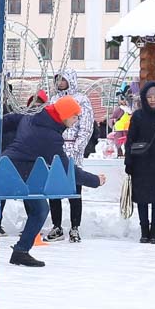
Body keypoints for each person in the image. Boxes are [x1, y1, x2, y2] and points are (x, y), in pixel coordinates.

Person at [0, 96, 104, 267]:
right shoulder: (50, 137)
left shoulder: (32, 118)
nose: (77, 120)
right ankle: (20, 251)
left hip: (15, 168)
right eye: (75, 116)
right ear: (64, 115)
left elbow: (8, 121)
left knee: (39, 209)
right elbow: (65, 170)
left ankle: (20, 252)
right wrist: (95, 180)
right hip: (17, 173)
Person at [123, 81, 155, 244]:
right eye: (149, 97)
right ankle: (144, 231)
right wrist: (129, 162)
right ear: (144, 98)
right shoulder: (138, 115)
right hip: (141, 163)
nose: (153, 100)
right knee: (142, 199)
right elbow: (130, 139)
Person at [44, 69, 93, 243]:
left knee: (75, 189)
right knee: (54, 189)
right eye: (57, 79)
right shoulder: (53, 100)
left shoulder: (81, 100)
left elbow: (86, 127)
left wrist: (77, 147)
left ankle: (75, 227)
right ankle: (57, 225)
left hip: (73, 149)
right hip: (55, 149)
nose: (60, 82)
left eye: (63, 79)